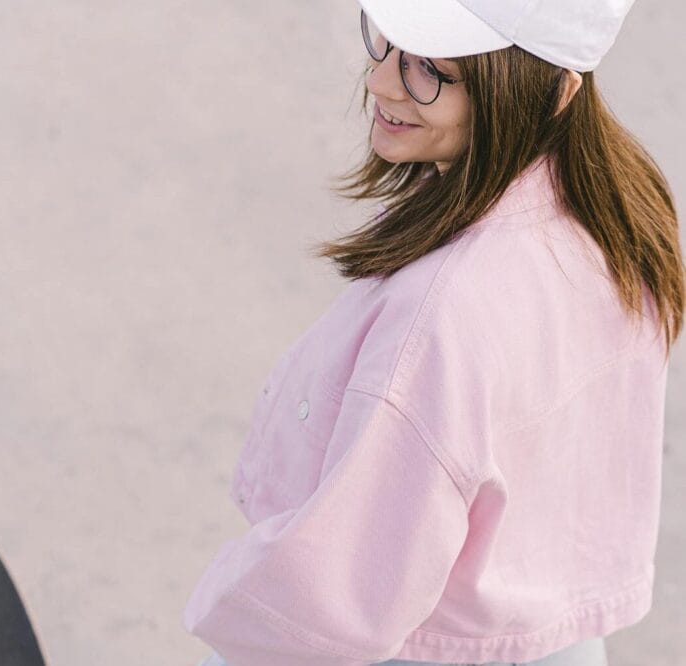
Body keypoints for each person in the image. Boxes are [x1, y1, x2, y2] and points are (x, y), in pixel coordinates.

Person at [183, 0, 684, 664]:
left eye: (431, 70)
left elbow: (335, 605)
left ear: (555, 89)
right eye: (386, 39)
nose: (382, 82)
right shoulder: (624, 215)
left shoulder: (442, 314)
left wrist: (227, 621)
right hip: (557, 642)